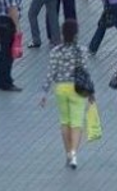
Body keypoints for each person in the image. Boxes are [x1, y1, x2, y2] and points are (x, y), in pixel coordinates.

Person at [39, 19, 93, 169]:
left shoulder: (56, 51)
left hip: (61, 88)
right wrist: (90, 93)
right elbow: (85, 72)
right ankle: (74, 154)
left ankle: (67, 152)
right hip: (78, 88)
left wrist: (44, 93)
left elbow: (51, 73)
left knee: (65, 122)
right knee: (77, 122)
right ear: (76, 34)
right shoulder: (81, 51)